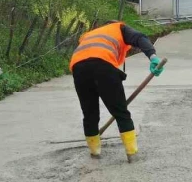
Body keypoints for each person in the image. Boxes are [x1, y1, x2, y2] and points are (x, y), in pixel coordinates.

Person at [69, 20, 165, 162]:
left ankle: (94, 153)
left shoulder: (88, 34)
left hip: (78, 68)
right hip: (103, 65)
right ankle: (132, 154)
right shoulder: (119, 27)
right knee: (121, 112)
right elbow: (140, 38)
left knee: (89, 113)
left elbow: (88, 55)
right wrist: (153, 57)